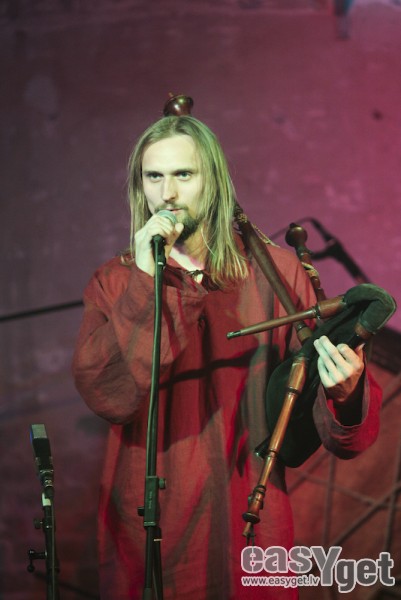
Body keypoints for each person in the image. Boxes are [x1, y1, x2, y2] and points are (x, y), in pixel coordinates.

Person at [72, 114, 382, 599]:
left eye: (184, 174)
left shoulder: (275, 273)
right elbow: (108, 392)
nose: (168, 193)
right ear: (139, 186)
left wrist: (345, 389)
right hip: (151, 517)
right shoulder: (115, 282)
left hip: (248, 512)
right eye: (154, 177)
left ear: (213, 180)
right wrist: (148, 283)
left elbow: (321, 408)